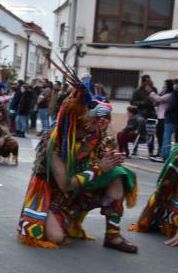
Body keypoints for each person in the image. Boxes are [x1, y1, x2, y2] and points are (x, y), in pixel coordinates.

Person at [17, 63, 138, 253]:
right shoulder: (54, 142)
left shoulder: (98, 129)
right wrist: (99, 168)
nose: (98, 123)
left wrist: (110, 157)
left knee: (118, 175)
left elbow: (104, 153)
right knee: (56, 237)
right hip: (57, 193)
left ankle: (113, 235)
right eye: (91, 119)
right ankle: (63, 217)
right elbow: (64, 184)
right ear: (76, 120)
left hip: (83, 186)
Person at [152, 78, 178, 163]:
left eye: (175, 84)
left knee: (166, 137)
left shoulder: (175, 92)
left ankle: (165, 155)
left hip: (171, 117)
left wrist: (167, 111)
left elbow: (173, 105)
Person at [147, 79, 173, 158]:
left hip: (164, 117)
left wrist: (151, 92)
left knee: (162, 136)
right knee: (158, 135)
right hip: (159, 116)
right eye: (163, 85)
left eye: (165, 85)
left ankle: (163, 152)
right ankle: (159, 151)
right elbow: (155, 101)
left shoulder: (170, 94)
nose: (164, 86)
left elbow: (159, 99)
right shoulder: (162, 93)